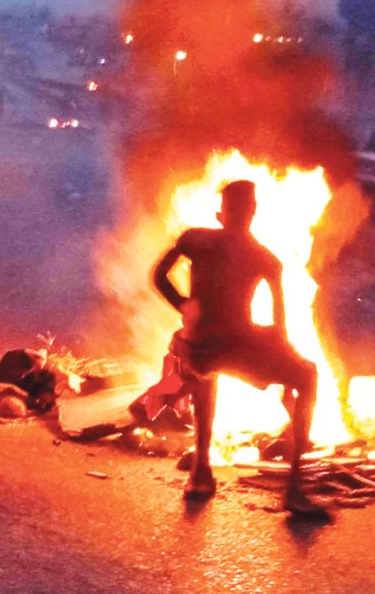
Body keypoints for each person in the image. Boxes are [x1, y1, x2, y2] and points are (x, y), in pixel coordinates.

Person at [137, 179, 326, 517]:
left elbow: (158, 275)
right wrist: (284, 373)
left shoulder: (194, 239)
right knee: (307, 375)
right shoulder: (266, 259)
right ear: (252, 212)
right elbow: (280, 328)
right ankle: (295, 491)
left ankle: (201, 474)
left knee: (204, 369)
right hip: (237, 347)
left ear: (221, 212)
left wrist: (184, 305)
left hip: (199, 347)